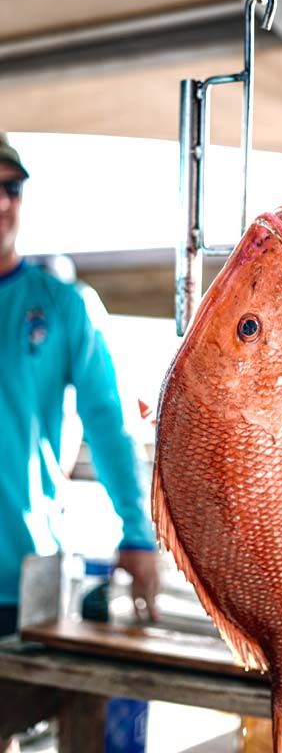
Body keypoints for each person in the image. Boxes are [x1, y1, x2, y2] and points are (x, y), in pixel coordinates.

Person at [0, 133, 159, 639]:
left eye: (13, 188)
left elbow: (109, 421)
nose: (3, 201)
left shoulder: (64, 306)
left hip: (24, 573)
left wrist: (137, 534)